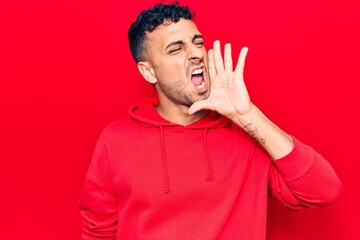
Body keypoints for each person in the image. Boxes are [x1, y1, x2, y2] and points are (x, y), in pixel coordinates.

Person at [79, 2, 342, 239]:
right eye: (176, 48)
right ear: (148, 71)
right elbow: (98, 230)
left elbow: (324, 190)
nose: (196, 53)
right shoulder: (116, 141)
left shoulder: (247, 134)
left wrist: (247, 115)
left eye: (197, 42)